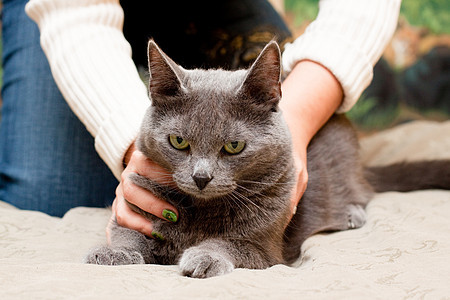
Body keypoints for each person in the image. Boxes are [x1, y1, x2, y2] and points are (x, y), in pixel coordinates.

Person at [1, 0, 401, 239]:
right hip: (78, 10)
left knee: (284, 153)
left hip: (217, 4)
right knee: (47, 198)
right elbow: (76, 17)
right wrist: (135, 149)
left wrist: (293, 122)